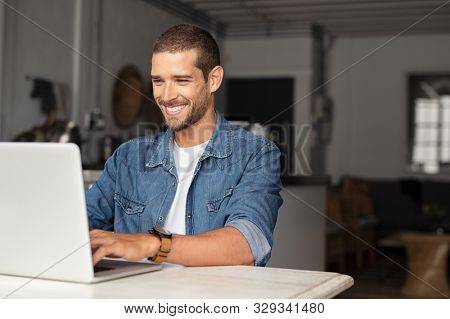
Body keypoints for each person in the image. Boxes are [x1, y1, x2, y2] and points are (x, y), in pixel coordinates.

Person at [86, 24, 283, 267]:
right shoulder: (127, 157)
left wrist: (153, 244)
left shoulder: (256, 154)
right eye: (158, 81)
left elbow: (248, 243)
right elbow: (77, 226)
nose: (167, 95)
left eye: (181, 80)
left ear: (213, 79)